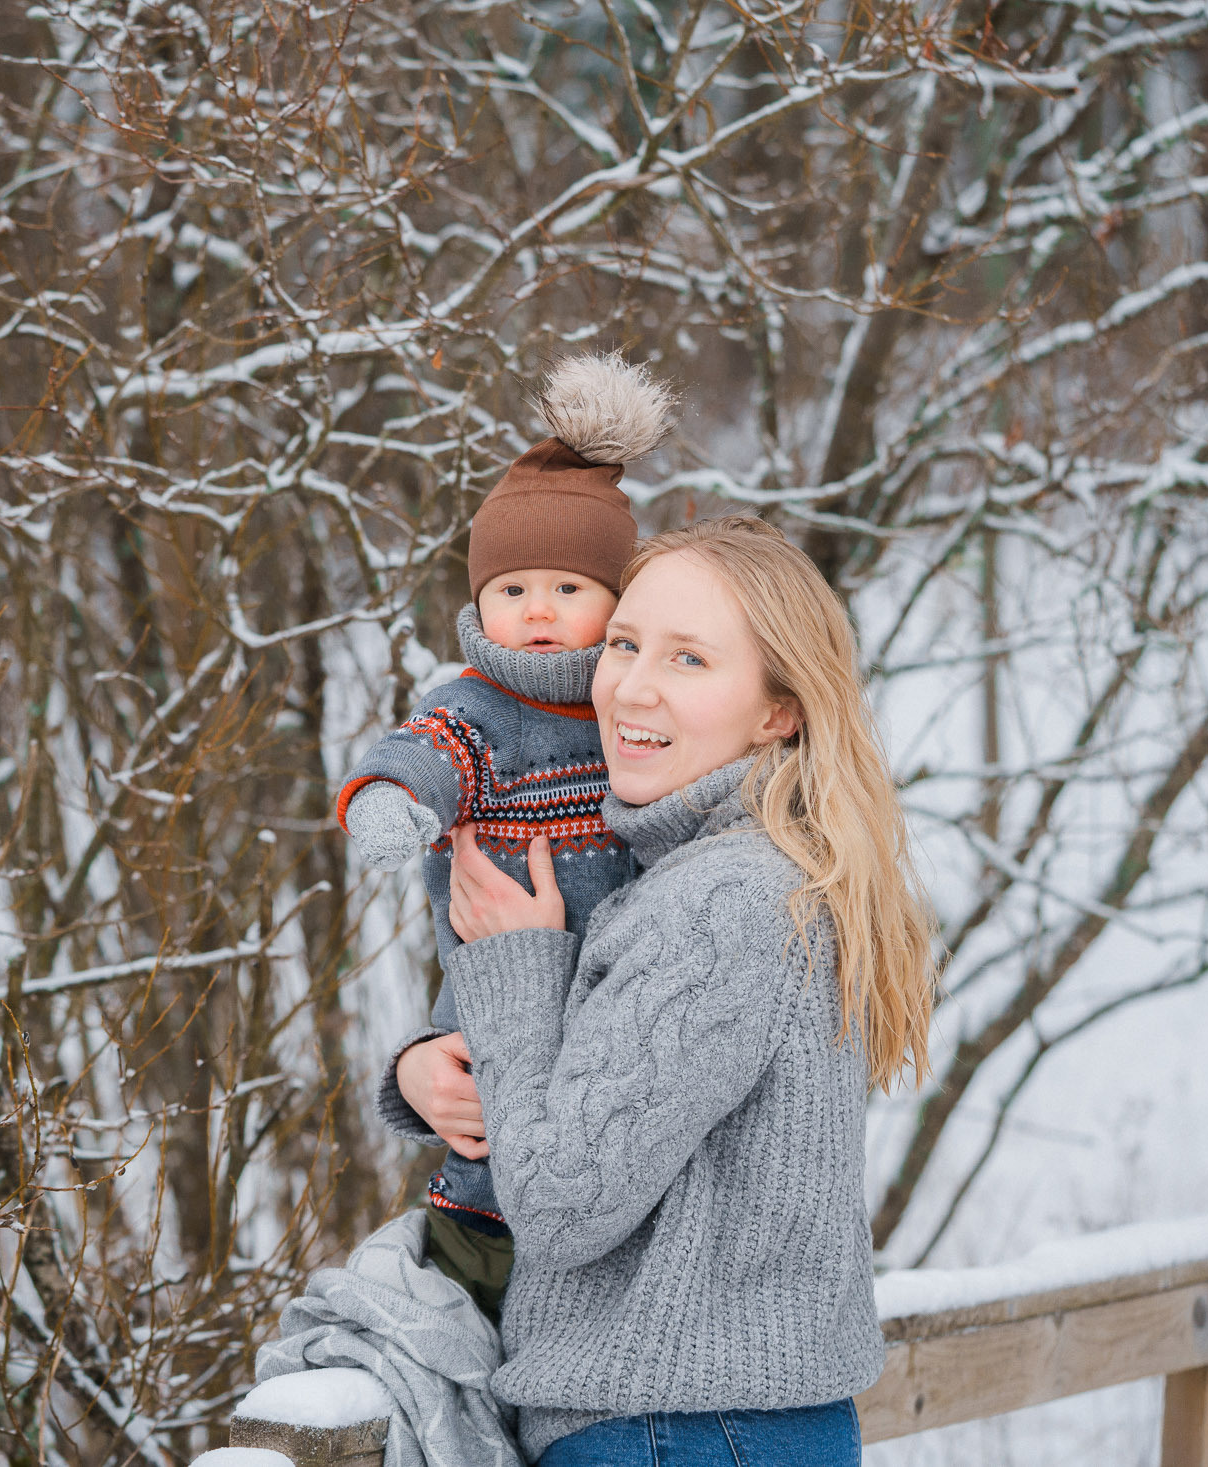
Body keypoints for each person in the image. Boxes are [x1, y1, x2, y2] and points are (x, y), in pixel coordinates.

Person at [383, 516, 939, 1466]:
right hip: (725, 1425)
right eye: (627, 644)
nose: (632, 685)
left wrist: (518, 961)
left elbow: (560, 1205)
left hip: (672, 1430)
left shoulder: (721, 900)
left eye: (689, 659)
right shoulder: (760, 876)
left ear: (778, 710)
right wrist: (422, 1071)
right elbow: (610, 1107)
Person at [340, 352, 677, 1322]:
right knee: (486, 1139)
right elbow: (422, 754)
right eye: (512, 588)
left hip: (615, 1002)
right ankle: (463, 1288)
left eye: (569, 588)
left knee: (592, 1161)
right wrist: (392, 802)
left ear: (621, 601)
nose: (537, 610)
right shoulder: (477, 709)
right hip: (496, 998)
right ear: (478, 603)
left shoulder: (636, 707)